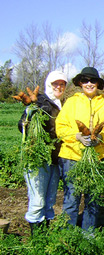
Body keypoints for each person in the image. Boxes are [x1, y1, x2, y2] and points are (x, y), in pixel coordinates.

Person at [56, 67, 104, 231]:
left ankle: (88, 235)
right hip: (72, 156)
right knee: (71, 198)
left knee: (94, 199)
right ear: (80, 83)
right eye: (85, 80)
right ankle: (67, 236)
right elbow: (60, 127)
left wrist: (101, 138)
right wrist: (76, 136)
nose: (89, 83)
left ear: (98, 83)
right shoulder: (71, 103)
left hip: (99, 157)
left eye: (93, 80)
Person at [18, 71, 68, 235]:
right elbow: (21, 125)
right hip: (38, 159)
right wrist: (30, 111)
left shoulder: (64, 104)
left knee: (50, 201)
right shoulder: (40, 100)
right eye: (55, 84)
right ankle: (37, 241)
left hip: (54, 159)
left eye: (62, 84)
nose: (58, 87)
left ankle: (45, 237)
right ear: (49, 84)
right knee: (38, 200)